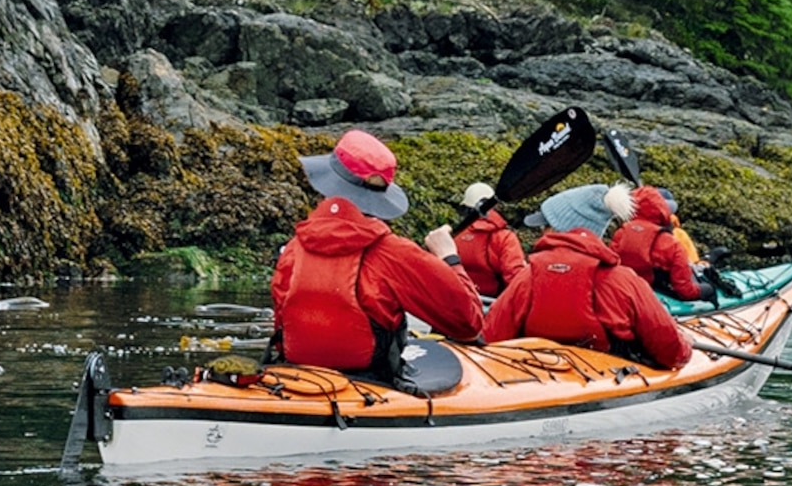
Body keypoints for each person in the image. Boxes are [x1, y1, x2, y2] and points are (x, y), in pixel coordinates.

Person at [270, 130, 487, 376]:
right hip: (373, 381)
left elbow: (281, 327)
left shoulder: (292, 249)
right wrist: (449, 257)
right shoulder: (395, 253)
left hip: (297, 376)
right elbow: (468, 324)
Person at [480, 182, 689, 370]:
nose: (541, 232)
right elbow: (672, 353)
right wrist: (686, 345)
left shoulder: (527, 277)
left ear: (558, 229)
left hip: (537, 378)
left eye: (546, 226)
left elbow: (491, 336)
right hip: (608, 384)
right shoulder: (625, 281)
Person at [608, 183, 705, 302]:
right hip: (655, 296)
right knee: (707, 288)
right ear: (663, 209)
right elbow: (684, 288)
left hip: (623, 292)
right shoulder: (670, 243)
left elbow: (610, 266)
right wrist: (704, 291)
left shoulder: (620, 233)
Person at [450, 181, 527, 301]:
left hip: (458, 299)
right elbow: (514, 275)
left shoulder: (455, 234)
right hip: (492, 303)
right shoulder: (505, 237)